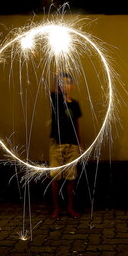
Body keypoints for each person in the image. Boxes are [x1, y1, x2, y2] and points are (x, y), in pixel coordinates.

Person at [49, 72, 82, 219]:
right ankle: (56, 208)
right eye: (61, 83)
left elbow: (77, 124)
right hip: (57, 143)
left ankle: (69, 207)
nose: (65, 86)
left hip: (72, 144)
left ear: (72, 86)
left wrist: (80, 144)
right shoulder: (55, 99)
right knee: (55, 177)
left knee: (71, 177)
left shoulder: (75, 104)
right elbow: (52, 89)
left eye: (67, 83)